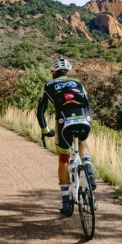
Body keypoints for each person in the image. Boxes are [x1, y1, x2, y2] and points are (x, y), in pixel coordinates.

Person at [36, 58, 97, 215]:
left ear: (54, 73)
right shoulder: (78, 82)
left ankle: (65, 202)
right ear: (68, 72)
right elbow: (88, 103)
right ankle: (88, 166)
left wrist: (45, 130)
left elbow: (40, 112)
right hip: (85, 118)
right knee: (82, 140)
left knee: (64, 158)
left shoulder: (49, 85)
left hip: (64, 121)